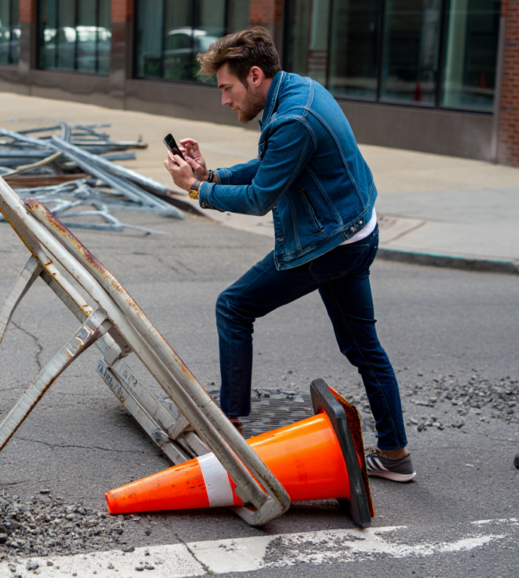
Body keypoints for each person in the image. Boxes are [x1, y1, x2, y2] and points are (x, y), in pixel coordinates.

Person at [163, 27, 414, 482]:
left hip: (330, 244)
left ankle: (231, 434)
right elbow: (274, 165)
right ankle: (395, 455)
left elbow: (261, 197)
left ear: (254, 75)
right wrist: (213, 173)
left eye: (227, 88)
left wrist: (198, 188)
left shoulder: (292, 118)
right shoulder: (298, 92)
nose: (224, 100)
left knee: (234, 306)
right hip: (356, 230)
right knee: (363, 349)